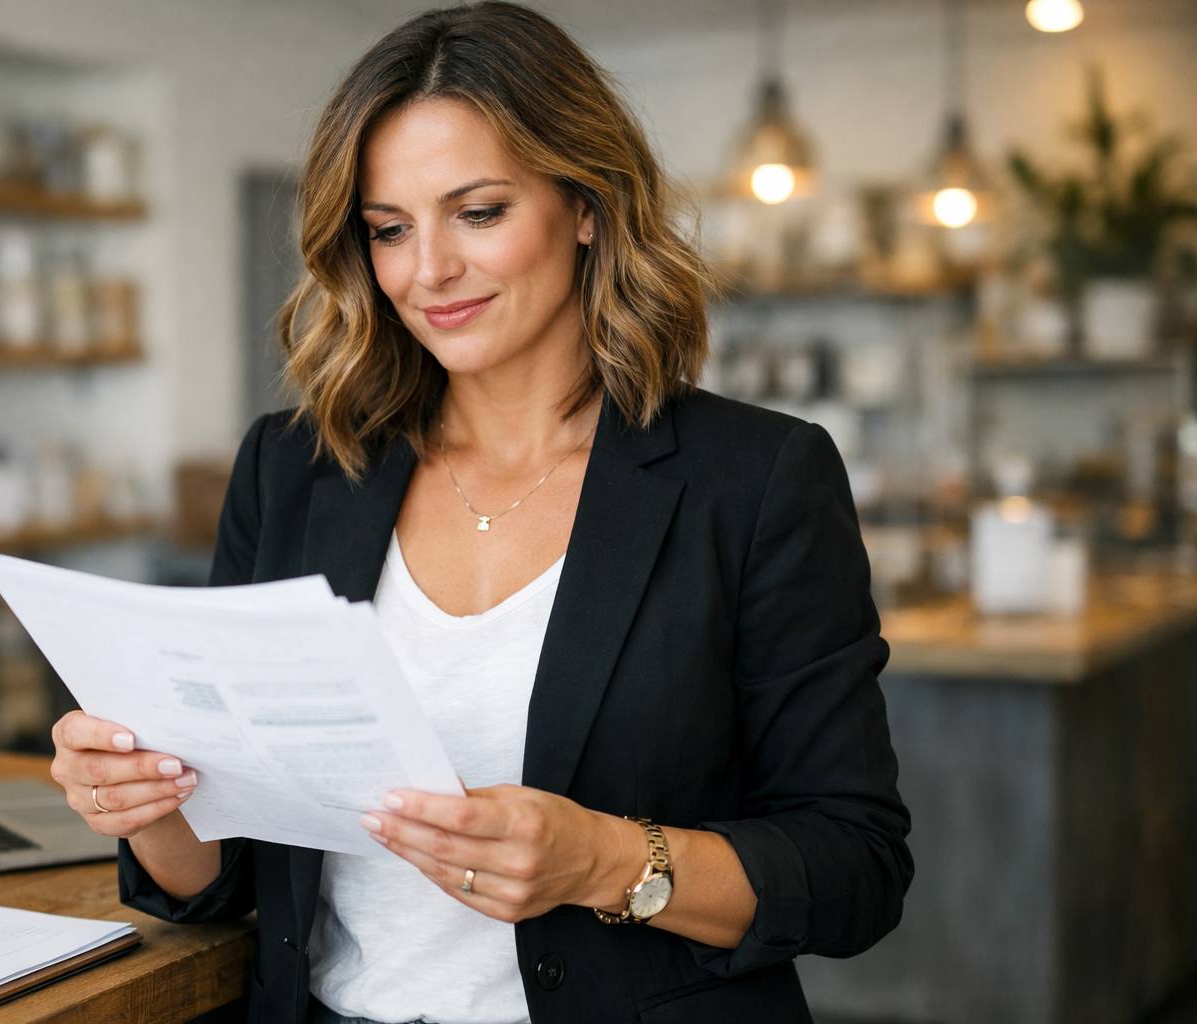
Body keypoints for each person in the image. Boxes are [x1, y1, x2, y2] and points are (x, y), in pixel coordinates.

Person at [49, 4, 911, 1021]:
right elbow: (229, 882)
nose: (428, 272)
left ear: (586, 204)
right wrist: (145, 807)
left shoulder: (757, 477)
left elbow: (855, 868)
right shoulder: (292, 470)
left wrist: (604, 859)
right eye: (389, 229)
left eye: (480, 212)